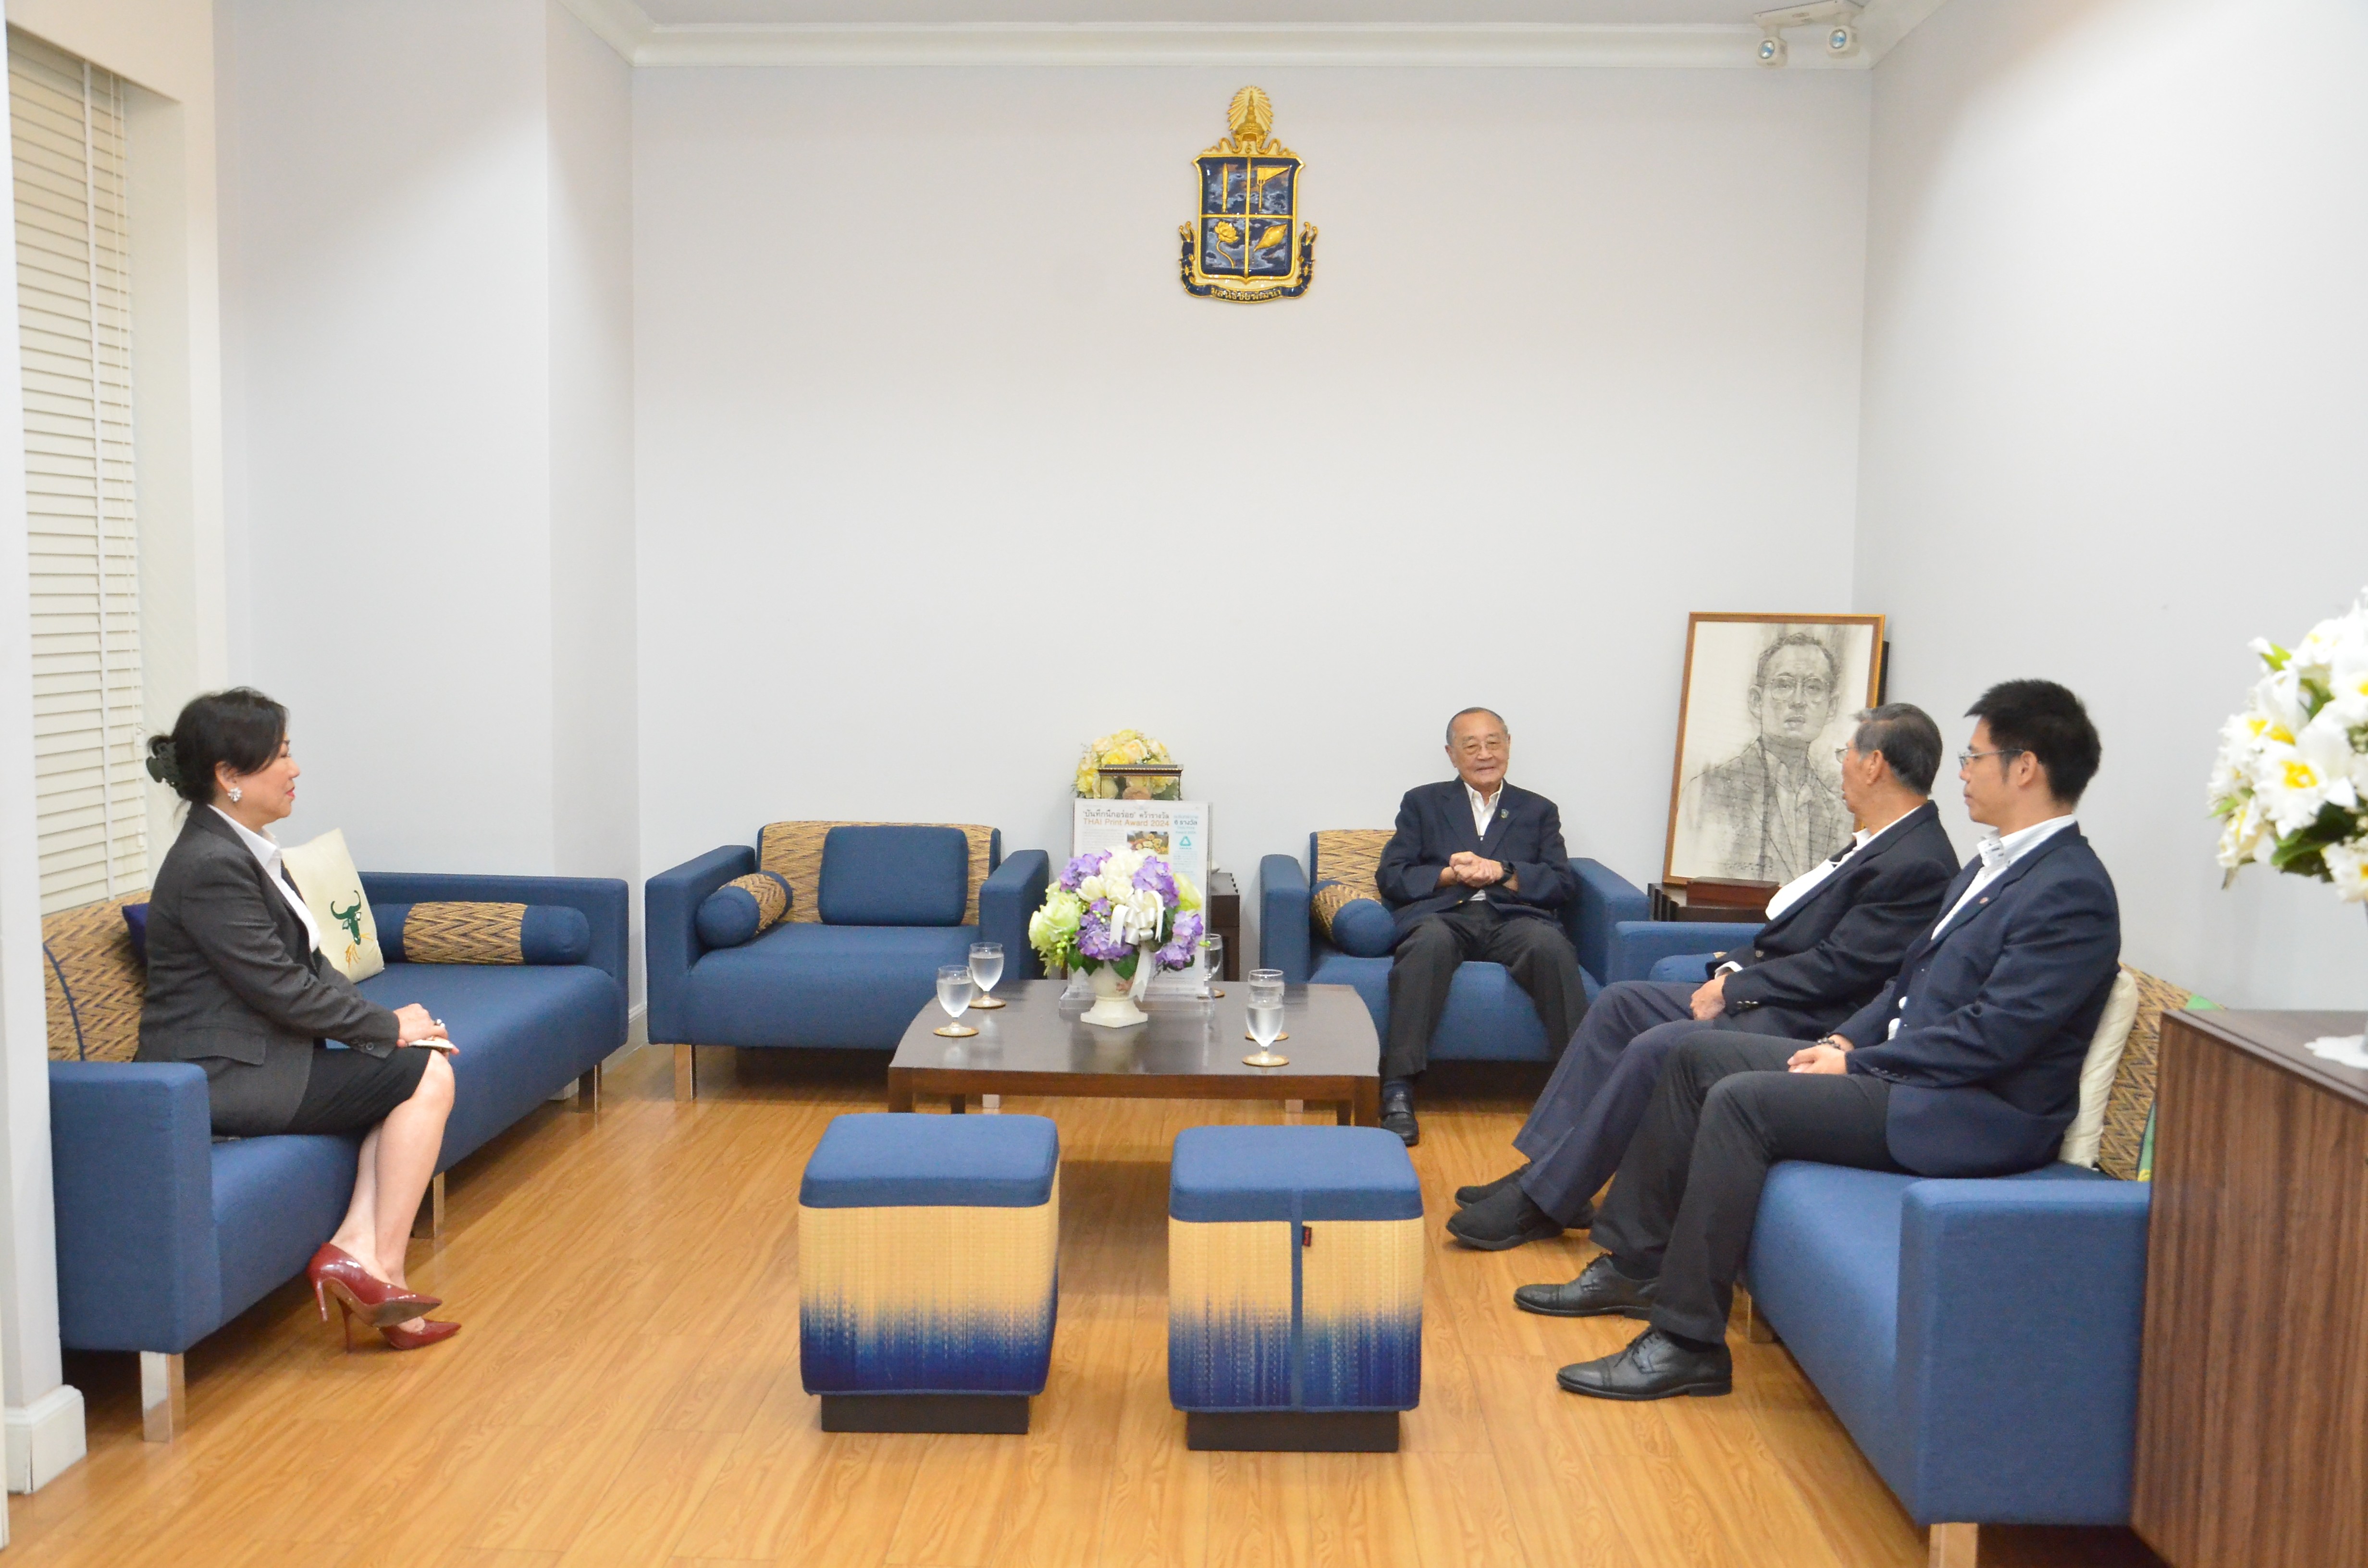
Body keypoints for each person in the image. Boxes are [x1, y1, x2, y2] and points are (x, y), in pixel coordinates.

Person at [1534, 680, 2119, 1401]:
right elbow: (1905, 982)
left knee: (1743, 1103)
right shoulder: (1992, 865)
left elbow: (1993, 1037)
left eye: (1974, 758)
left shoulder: (2070, 890)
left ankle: (1686, 1342)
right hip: (1907, 1072)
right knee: (1691, 1053)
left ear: (2024, 767)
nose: (1962, 773)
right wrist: (1846, 1038)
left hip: (1968, 1108)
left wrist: (1860, 1062)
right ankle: (1634, 1266)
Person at [1448, 703, 1959, 1250]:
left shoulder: (1918, 860)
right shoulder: (1881, 841)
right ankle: (1547, 1170)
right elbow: (1796, 934)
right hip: (1782, 996)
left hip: (1812, 1021)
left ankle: (1543, 1200)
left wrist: (1735, 987)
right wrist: (1734, 967)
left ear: (1874, 764)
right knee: (1621, 1003)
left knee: (1658, 1047)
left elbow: (1840, 967)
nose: (1841, 765)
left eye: (1846, 753)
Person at [137, 688, 462, 1352]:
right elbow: (279, 989)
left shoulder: (244, 848)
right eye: (281, 755)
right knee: (426, 1075)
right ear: (229, 775)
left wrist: (385, 1024)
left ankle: (359, 1255)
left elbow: (310, 965)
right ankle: (381, 1268)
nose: (296, 769)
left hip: (261, 1058)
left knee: (415, 1067)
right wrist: (387, 1030)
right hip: (220, 1077)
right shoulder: (209, 866)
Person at [1371, 707, 1588, 1146]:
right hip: (1445, 916)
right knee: (1427, 944)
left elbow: (1562, 883)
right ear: (1451, 754)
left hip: (1514, 918)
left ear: (1508, 746)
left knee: (1550, 945)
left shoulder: (1538, 810)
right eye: (1471, 745)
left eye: (1493, 743)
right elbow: (1392, 876)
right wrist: (1450, 875)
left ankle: (1581, 1092)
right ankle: (1397, 1090)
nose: (1484, 754)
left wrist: (1502, 872)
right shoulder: (1423, 803)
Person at [1676, 632, 1854, 885]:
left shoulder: (1839, 813)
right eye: (1784, 685)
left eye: (1813, 688)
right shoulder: (1707, 793)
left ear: (1832, 707)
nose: (1798, 701)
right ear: (1756, 701)